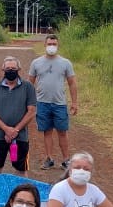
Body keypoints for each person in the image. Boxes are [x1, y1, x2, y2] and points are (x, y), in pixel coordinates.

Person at [28, 34, 79, 170]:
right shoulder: (36, 63)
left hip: (59, 103)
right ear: (44, 45)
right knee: (47, 131)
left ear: (58, 45)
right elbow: (30, 83)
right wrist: (29, 102)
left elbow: (72, 83)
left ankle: (66, 160)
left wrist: (74, 102)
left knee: (62, 132)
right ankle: (49, 158)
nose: (51, 46)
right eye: (49, 44)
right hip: (42, 102)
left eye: (54, 44)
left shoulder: (65, 63)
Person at [0, 56, 36, 174]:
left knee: (20, 168)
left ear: (19, 69)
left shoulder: (28, 87)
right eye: (8, 68)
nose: (11, 71)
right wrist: (6, 129)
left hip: (20, 137)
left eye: (13, 68)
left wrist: (15, 130)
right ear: (3, 69)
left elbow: (31, 111)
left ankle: (22, 192)